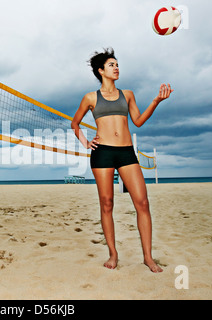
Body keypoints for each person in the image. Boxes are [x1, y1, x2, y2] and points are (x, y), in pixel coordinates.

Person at [71, 48, 173, 273]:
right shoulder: (90, 97)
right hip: (103, 153)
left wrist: (156, 100)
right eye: (111, 65)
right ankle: (113, 253)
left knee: (142, 203)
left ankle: (148, 257)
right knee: (107, 204)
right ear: (101, 71)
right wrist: (86, 143)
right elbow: (75, 124)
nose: (116, 67)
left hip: (127, 153)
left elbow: (138, 121)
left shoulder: (127, 94)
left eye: (117, 64)